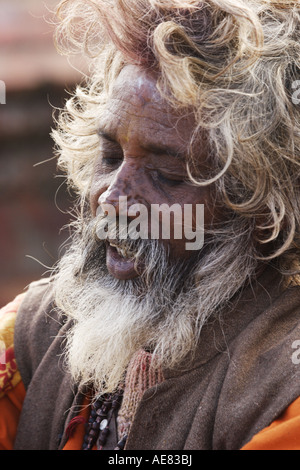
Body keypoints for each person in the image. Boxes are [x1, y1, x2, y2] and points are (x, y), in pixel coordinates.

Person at [1, 0, 300, 451]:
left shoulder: (284, 392)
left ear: (263, 208)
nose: (113, 198)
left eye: (167, 175)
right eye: (110, 156)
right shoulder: (36, 332)